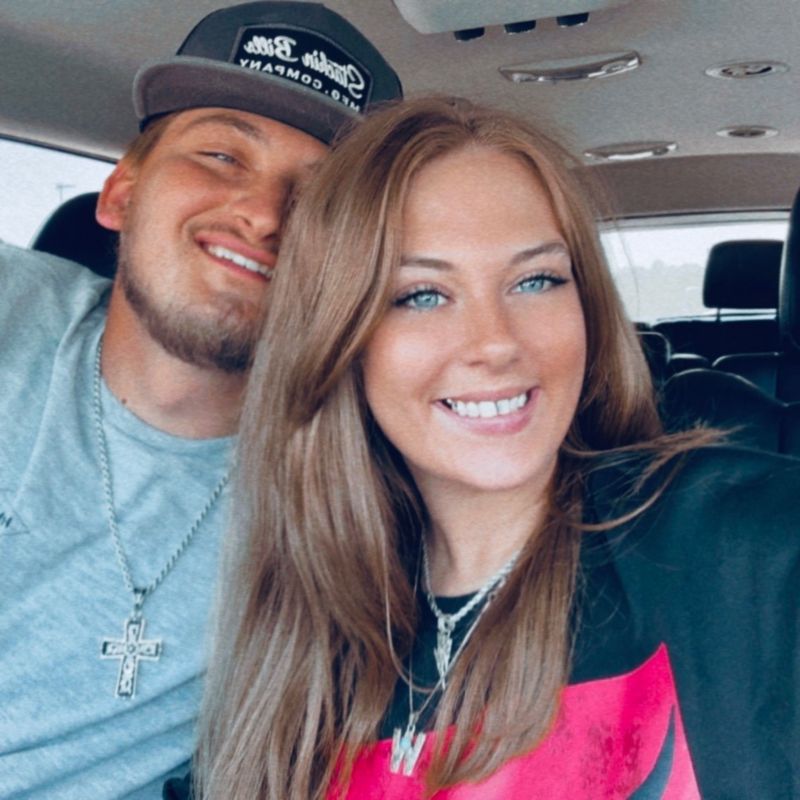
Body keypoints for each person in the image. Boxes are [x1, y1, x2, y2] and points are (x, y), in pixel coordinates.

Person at [182, 96, 800, 800]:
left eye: (536, 281)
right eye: (421, 294)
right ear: (338, 336)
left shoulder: (730, 543)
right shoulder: (303, 614)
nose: (496, 342)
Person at [0, 3, 400, 798]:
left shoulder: (362, 483)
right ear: (121, 191)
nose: (264, 214)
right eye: (220, 155)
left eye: (322, 199)